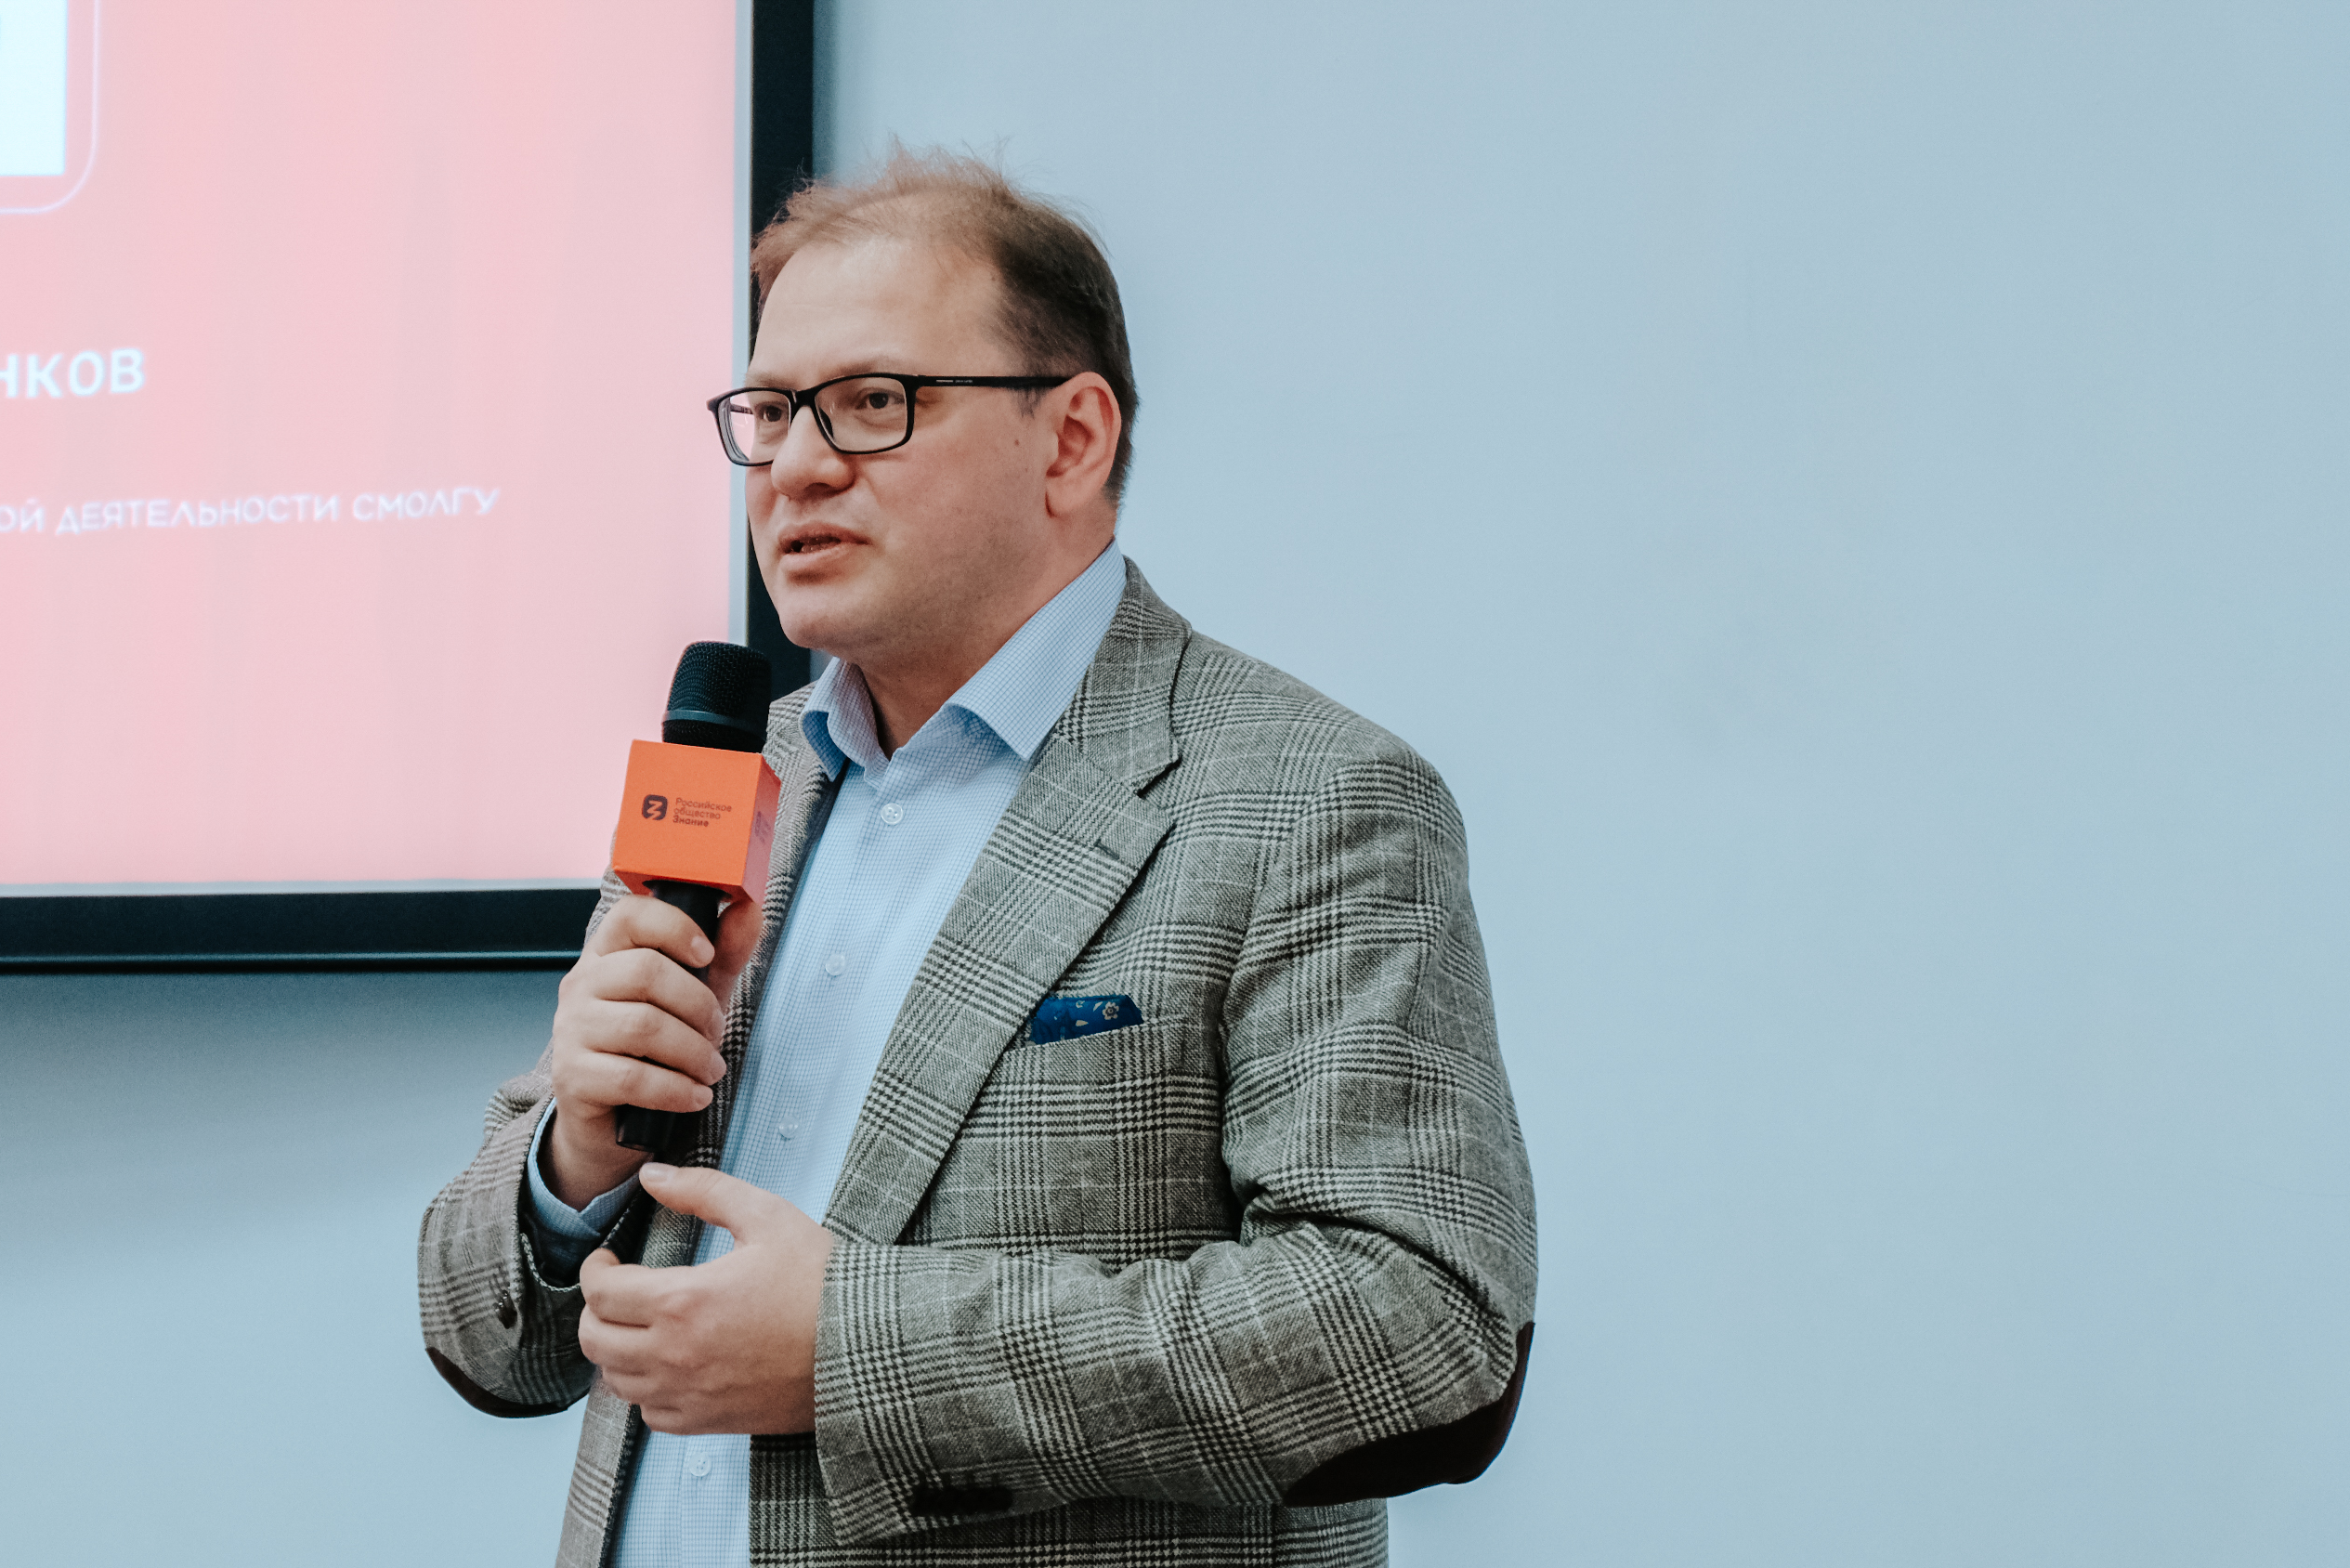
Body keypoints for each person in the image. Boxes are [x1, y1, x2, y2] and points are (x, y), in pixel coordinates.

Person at [419, 148, 1536, 1567]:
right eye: (771, 412)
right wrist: (575, 1156)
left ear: (1071, 440)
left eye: (873, 403)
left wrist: (850, 1349)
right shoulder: (740, 778)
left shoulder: (1307, 799)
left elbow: (1422, 1330)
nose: (798, 466)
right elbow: (487, 1339)